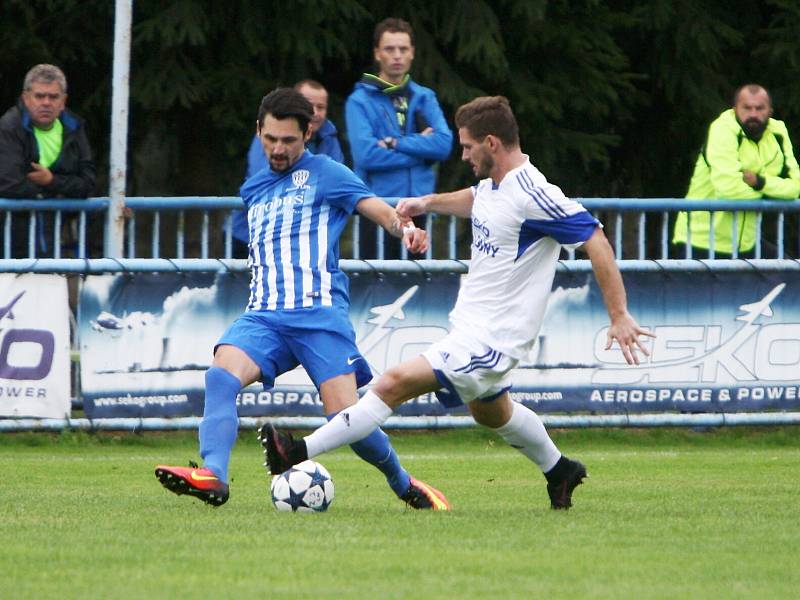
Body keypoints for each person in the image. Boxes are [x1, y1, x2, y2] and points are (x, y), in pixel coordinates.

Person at [260, 96, 654, 510]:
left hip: (493, 340)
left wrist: (619, 314)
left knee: (391, 383)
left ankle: (297, 451)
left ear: (491, 143)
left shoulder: (535, 193)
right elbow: (476, 197)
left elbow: (595, 237)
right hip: (472, 329)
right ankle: (560, 471)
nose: (462, 154)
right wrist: (427, 203)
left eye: (467, 147)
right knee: (491, 413)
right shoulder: (496, 184)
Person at [155, 88, 449, 510]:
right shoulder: (253, 188)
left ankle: (403, 482)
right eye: (270, 138)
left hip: (318, 315)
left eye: (288, 141)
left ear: (307, 134)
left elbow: (377, 208)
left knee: (345, 419)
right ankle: (214, 476)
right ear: (259, 131)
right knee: (220, 377)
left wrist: (406, 230)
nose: (278, 148)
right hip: (264, 317)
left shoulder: (327, 172)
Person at [346, 17, 452, 257]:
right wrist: (423, 154)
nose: (397, 55)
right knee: (376, 286)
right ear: (377, 53)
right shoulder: (359, 101)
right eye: (389, 49)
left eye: (403, 49)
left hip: (419, 208)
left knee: (416, 284)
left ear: (412, 53)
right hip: (377, 209)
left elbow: (443, 145)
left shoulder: (425, 97)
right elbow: (367, 156)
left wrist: (395, 143)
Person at [673, 84, 800, 258]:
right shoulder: (722, 129)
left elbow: (795, 187)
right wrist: (773, 192)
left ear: (770, 111)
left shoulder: (778, 132)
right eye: (747, 108)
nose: (753, 114)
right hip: (700, 242)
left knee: (790, 276)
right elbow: (728, 189)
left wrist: (759, 182)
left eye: (760, 108)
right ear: (734, 110)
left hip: (746, 243)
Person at [229, 80, 346, 258]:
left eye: (320, 107)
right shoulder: (271, 133)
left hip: (300, 238)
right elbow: (268, 178)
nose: (314, 112)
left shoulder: (328, 135)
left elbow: (338, 179)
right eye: (308, 104)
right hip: (249, 234)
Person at [0, 64, 96, 257]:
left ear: (63, 101)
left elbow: (89, 183)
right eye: (39, 96)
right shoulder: (9, 126)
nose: (46, 103)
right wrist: (60, 192)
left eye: (53, 97)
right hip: (9, 241)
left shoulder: (74, 128)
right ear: (25, 98)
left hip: (55, 241)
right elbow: (8, 183)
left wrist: (51, 181)